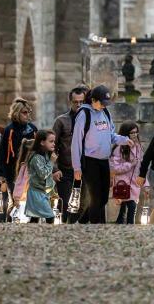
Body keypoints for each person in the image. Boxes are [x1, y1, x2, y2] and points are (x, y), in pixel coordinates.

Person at [71, 85, 131, 224]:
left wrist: (124, 140)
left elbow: (111, 136)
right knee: (96, 197)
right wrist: (77, 167)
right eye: (102, 103)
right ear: (93, 100)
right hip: (90, 162)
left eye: (106, 103)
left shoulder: (106, 113)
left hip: (104, 161)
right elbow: (76, 143)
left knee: (103, 198)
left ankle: (82, 222)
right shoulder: (83, 114)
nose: (104, 106)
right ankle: (95, 227)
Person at [0, 98, 38, 218]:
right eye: (24, 112)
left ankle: (32, 225)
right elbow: (3, 153)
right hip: (12, 172)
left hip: (31, 171)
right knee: (14, 201)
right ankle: (12, 224)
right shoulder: (10, 130)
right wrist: (0, 174)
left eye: (28, 112)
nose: (27, 115)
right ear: (17, 113)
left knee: (31, 200)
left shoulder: (33, 129)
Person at [52, 86, 87, 222]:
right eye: (75, 102)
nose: (78, 105)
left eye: (81, 102)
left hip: (85, 169)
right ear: (70, 101)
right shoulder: (61, 121)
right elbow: (52, 146)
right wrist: (54, 169)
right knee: (66, 205)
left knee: (83, 206)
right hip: (65, 170)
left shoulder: (88, 121)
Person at [110, 121, 145, 225]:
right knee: (131, 206)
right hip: (123, 184)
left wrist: (146, 184)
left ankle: (121, 224)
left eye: (136, 132)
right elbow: (114, 168)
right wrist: (130, 164)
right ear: (126, 134)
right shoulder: (118, 148)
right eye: (132, 133)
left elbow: (142, 167)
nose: (135, 135)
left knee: (126, 208)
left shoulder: (138, 147)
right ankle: (130, 228)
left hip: (134, 184)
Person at [25, 130, 58, 224]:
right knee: (50, 216)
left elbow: (46, 174)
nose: (54, 144)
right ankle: (49, 237)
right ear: (42, 142)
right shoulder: (36, 157)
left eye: (54, 141)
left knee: (35, 218)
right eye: (51, 141)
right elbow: (43, 174)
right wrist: (52, 161)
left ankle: (32, 236)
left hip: (42, 192)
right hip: (36, 192)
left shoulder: (45, 155)